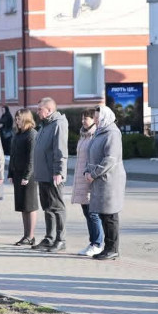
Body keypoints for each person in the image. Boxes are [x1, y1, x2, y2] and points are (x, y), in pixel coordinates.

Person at [85, 106, 126, 261]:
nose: (95, 120)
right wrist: (86, 172)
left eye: (97, 117)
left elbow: (110, 159)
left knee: (110, 214)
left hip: (110, 180)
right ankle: (107, 247)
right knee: (102, 213)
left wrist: (94, 173)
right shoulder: (99, 132)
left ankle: (112, 248)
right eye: (95, 117)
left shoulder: (113, 133)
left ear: (105, 118)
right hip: (98, 179)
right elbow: (89, 155)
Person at [31, 98, 69, 252]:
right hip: (42, 174)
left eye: (40, 109)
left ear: (49, 110)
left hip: (53, 175)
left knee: (57, 207)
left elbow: (60, 151)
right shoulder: (44, 125)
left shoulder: (58, 124)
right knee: (47, 207)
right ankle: (49, 238)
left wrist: (59, 172)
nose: (37, 111)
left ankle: (61, 239)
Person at [71, 108, 104, 257]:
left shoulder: (95, 136)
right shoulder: (83, 136)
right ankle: (92, 242)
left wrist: (92, 175)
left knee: (93, 213)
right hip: (81, 178)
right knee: (87, 212)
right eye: (83, 118)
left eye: (87, 118)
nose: (84, 121)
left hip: (91, 179)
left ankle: (98, 243)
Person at [9, 108, 39, 246]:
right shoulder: (17, 134)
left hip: (29, 175)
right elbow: (13, 155)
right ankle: (26, 235)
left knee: (30, 205)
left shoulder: (31, 134)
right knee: (22, 206)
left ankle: (30, 236)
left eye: (19, 118)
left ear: (26, 119)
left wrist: (27, 175)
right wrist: (10, 173)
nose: (17, 121)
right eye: (16, 118)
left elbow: (32, 158)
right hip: (17, 174)